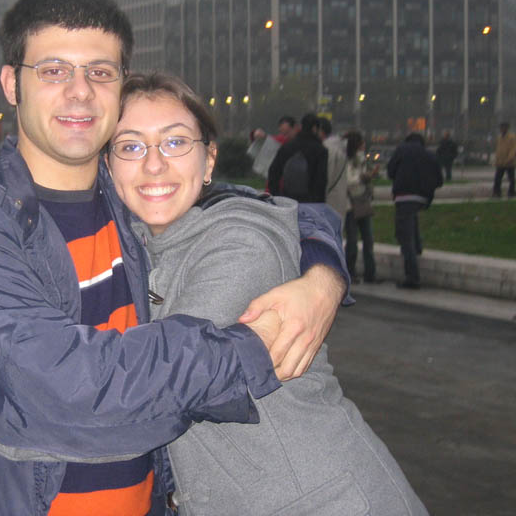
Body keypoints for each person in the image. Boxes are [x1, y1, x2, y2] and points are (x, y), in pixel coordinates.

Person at [0, 0, 347, 515]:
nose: (79, 91)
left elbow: (276, 211)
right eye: (54, 70)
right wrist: (251, 349)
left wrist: (324, 280)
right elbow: (67, 388)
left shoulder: (133, 198)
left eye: (100, 72)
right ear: (11, 84)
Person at [101, 72, 424, 514]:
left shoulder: (242, 241)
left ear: (209, 160)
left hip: (327, 501)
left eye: (175, 142)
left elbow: (161, 380)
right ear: (108, 166)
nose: (154, 164)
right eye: (130, 146)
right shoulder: (134, 244)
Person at [387, 133, 443, 289]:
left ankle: (412, 277)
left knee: (405, 237)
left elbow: (390, 171)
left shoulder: (401, 150)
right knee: (412, 220)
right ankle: (418, 248)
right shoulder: (429, 154)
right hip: (422, 198)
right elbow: (439, 180)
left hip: (404, 196)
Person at [344, 131, 380, 284]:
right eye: (361, 142)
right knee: (352, 240)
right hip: (351, 203)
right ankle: (349, 272)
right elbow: (349, 180)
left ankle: (370, 273)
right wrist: (364, 177)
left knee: (368, 239)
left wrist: (369, 175)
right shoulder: (347, 160)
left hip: (363, 201)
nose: (364, 144)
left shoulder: (362, 158)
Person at [267, 112, 328, 203]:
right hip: (310, 201)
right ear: (315, 128)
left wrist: (277, 195)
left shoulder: (287, 146)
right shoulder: (320, 150)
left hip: (288, 199)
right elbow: (321, 180)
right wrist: (319, 201)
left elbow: (273, 172)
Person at [318, 116, 349, 218]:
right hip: (339, 197)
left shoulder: (327, 149)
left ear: (321, 131)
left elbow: (327, 176)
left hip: (330, 199)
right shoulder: (339, 147)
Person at [493, 122, 516, 198]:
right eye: (501, 127)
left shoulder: (512, 137)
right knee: (497, 179)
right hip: (500, 163)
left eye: (504, 127)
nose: (502, 129)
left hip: (509, 163)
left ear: (507, 128)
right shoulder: (499, 138)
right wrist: (496, 160)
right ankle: (497, 193)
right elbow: (498, 149)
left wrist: (509, 159)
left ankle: (511, 192)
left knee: (511, 179)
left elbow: (513, 149)